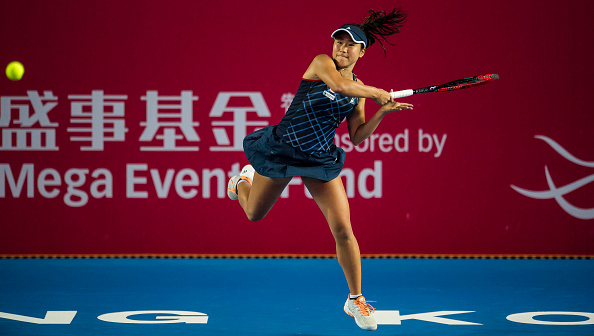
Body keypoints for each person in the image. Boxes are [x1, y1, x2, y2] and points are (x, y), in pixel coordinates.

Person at [227, 8, 412, 331]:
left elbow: (357, 137)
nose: (341, 48)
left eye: (349, 45)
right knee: (254, 214)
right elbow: (340, 87)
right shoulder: (322, 64)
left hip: (318, 158)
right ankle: (243, 180)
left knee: (343, 229)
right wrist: (375, 91)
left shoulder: (360, 90)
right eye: (338, 42)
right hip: (281, 149)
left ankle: (355, 299)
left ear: (361, 51)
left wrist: (383, 111)